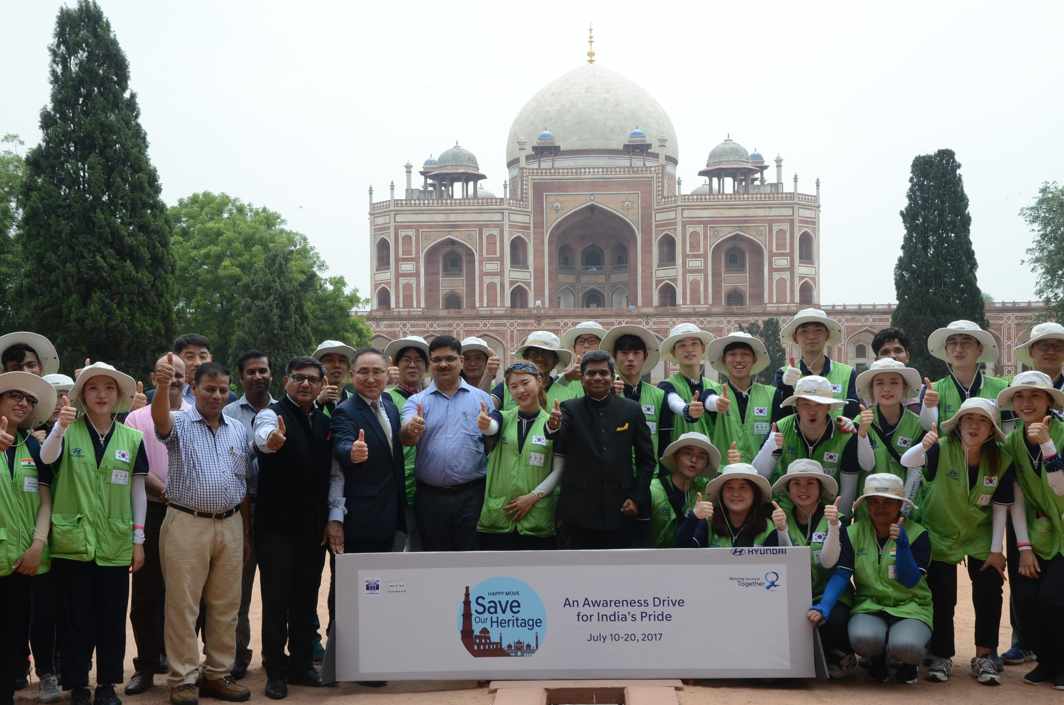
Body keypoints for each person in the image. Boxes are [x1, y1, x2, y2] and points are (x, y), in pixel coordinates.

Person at [40, 363, 147, 705]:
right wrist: (59, 427)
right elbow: (47, 456)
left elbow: (138, 491)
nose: (101, 394)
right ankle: (79, 686)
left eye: (109, 388)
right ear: (82, 397)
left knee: (111, 618)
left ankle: (106, 685)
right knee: (75, 619)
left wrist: (139, 540)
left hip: (116, 542)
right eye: (93, 388)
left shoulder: (132, 438)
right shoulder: (66, 431)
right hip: (73, 543)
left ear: (118, 396)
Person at [899, 397, 1021, 685]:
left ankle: (985, 655)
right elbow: (908, 462)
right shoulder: (941, 448)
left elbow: (1002, 505)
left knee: (990, 588)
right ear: (958, 425)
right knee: (943, 594)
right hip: (940, 530)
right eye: (969, 420)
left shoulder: (1001, 458)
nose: (974, 426)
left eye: (982, 421)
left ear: (991, 430)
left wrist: (995, 551)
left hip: (978, 533)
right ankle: (942, 655)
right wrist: (925, 445)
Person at [151, 358, 252, 705]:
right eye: (210, 389)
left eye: (223, 390)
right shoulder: (179, 422)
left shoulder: (238, 429)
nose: (217, 396)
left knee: (227, 605)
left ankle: (218, 674)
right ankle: (182, 678)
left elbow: (243, 479)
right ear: (194, 388)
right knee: (183, 605)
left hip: (231, 522)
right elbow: (159, 422)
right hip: (186, 521)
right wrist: (163, 386)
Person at [252, 357, 333, 699]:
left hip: (311, 528)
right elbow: (262, 435)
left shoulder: (322, 420)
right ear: (286, 381)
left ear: (320, 385)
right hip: (276, 528)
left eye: (312, 380)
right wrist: (271, 441)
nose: (305, 384)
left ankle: (301, 665)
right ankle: (275, 669)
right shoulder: (273, 414)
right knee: (276, 600)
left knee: (304, 598)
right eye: (298, 378)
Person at [123, 355, 191, 696]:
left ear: (186, 376)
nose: (173, 380)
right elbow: (138, 467)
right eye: (167, 374)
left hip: (190, 514)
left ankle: (186, 668)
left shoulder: (197, 414)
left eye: (178, 374)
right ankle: (146, 666)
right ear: (154, 376)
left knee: (188, 595)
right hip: (150, 511)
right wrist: (167, 491)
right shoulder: (135, 418)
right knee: (147, 595)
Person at [547, 351, 655, 549]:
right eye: (591, 373)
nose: (597, 378)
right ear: (582, 378)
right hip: (578, 513)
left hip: (621, 508)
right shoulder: (569, 409)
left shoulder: (631, 410)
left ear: (612, 377)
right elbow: (558, 436)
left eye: (603, 373)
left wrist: (637, 498)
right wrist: (553, 425)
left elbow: (646, 460)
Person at [998, 371, 1064, 688]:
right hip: (1036, 533)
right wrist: (1023, 548)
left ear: (1049, 401)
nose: (1026, 403)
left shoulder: (1062, 433)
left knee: (1054, 599)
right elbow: (1016, 497)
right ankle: (1047, 661)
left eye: (1035, 396)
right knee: (1025, 600)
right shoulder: (1012, 441)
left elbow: (1061, 490)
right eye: (1020, 397)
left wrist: (1048, 445)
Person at [835, 473, 933, 685]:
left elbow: (909, 580)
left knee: (907, 646)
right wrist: (824, 607)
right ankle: (876, 658)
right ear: (867, 505)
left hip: (911, 607)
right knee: (863, 639)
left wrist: (903, 547)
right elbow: (842, 573)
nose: (880, 507)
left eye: (888, 502)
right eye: (874, 501)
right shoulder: (853, 532)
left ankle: (908, 662)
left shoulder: (918, 534)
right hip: (870, 605)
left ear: (900, 505)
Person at [402, 336, 492, 551]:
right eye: (437, 360)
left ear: (460, 361)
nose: (443, 365)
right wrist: (411, 428)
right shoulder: (417, 401)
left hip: (472, 495)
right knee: (434, 560)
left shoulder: (481, 399)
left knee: (470, 558)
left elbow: (492, 443)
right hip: (430, 498)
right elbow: (405, 436)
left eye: (450, 359)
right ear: (430, 364)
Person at [0, 372, 56, 705]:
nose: (23, 403)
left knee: (13, 637)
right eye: (14, 395)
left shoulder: (31, 444)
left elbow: (45, 500)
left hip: (20, 559)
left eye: (29, 400)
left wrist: (38, 544)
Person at [218, 351, 275, 680]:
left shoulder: (281, 410)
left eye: (263, 370)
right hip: (237, 508)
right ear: (242, 377)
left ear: (271, 374)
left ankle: (273, 653)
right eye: (252, 371)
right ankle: (238, 654)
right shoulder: (226, 413)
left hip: (273, 508)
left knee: (277, 588)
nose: (258, 376)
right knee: (235, 592)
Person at [753, 376, 874, 519]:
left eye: (819, 404)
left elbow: (848, 490)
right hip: (785, 512)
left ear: (829, 407)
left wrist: (840, 522)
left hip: (827, 513)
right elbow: (758, 475)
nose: (812, 411)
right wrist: (770, 447)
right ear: (796, 405)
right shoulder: (780, 428)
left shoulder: (846, 435)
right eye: (805, 404)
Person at [774, 459, 852, 677]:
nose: (803, 489)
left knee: (835, 620)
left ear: (821, 489)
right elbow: (783, 565)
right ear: (788, 489)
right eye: (796, 483)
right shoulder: (780, 518)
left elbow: (834, 565)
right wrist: (781, 530)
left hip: (829, 597)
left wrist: (834, 527)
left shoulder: (837, 519)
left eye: (810, 483)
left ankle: (837, 653)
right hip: (792, 596)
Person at [477, 361, 562, 550]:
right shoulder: (503, 417)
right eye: (513, 386)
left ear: (539, 381)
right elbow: (492, 427)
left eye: (525, 383)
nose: (520, 390)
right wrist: (486, 425)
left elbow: (559, 470)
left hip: (536, 518)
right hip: (499, 518)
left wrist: (532, 497)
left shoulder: (553, 422)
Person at [855, 358, 926, 504]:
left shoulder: (917, 425)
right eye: (879, 383)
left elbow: (916, 474)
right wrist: (861, 433)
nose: (886, 389)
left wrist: (904, 510)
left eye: (894, 382)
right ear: (871, 389)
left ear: (904, 387)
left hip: (905, 508)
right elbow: (864, 466)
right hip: (870, 507)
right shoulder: (859, 422)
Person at [772, 308, 859, 422]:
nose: (811, 336)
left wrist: (851, 423)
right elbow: (780, 416)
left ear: (827, 335)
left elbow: (853, 411)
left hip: (837, 437)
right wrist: (785, 386)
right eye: (804, 331)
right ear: (795, 337)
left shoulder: (847, 373)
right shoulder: (784, 374)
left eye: (818, 330)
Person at [383, 336, 428, 551]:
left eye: (418, 360)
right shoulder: (386, 398)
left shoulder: (431, 398)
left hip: (428, 490)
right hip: (397, 489)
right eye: (406, 360)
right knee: (397, 552)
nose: (412, 364)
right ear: (396, 365)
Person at [675, 462, 787, 548]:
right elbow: (682, 552)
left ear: (755, 493)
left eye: (743, 487)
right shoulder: (709, 521)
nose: (736, 494)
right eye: (729, 488)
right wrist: (693, 517)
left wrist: (782, 530)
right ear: (721, 494)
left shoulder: (768, 526)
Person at [703, 331, 776, 463]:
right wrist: (715, 403)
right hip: (724, 476)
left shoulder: (771, 394)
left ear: (754, 359)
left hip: (761, 476)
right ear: (724, 360)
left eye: (745, 354)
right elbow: (706, 400)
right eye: (732, 354)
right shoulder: (713, 393)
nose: (738, 360)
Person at [920, 320, 1008, 429]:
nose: (959, 349)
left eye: (966, 342)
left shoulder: (1002, 389)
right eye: (952, 343)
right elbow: (927, 430)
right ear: (946, 350)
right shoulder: (933, 391)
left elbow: (1009, 436)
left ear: (980, 349)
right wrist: (928, 407)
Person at [600, 325, 664, 457]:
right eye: (624, 353)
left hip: (650, 473)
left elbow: (664, 438)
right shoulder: (602, 393)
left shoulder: (659, 395)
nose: (630, 358)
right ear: (614, 356)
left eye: (636, 353)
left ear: (645, 356)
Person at [649, 433, 719, 548]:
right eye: (687, 453)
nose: (694, 460)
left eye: (701, 456)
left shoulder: (706, 493)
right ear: (675, 456)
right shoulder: (653, 490)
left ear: (706, 464)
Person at [657, 323, 718, 451]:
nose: (689, 349)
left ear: (702, 348)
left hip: (711, 462)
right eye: (682, 345)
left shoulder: (715, 387)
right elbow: (674, 401)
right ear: (674, 352)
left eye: (694, 344)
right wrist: (686, 410)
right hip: (679, 460)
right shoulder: (665, 387)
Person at [491, 331, 575, 411]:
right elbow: (487, 406)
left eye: (546, 354)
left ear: (555, 361)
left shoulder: (568, 393)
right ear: (525, 358)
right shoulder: (507, 387)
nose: (540, 358)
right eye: (534, 354)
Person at [168, 334, 237, 406]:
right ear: (177, 359)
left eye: (203, 357)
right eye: (190, 357)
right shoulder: (163, 394)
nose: (198, 363)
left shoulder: (228, 398)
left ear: (210, 359)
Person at [554, 320, 607, 400]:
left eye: (592, 341)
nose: (586, 345)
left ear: (602, 347)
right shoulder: (562, 379)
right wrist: (566, 378)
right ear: (574, 349)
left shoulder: (614, 380)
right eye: (581, 342)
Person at [312, 340, 356, 416]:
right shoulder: (307, 399)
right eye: (329, 360)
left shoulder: (355, 401)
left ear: (348, 368)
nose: (337, 365)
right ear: (318, 368)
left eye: (342, 361)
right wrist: (318, 403)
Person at [1015, 321, 1064, 390]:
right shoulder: (1016, 391)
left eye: (1058, 346)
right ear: (1031, 351)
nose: (1051, 352)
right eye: (1044, 346)